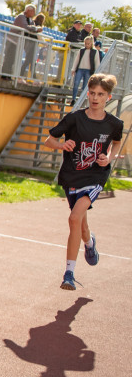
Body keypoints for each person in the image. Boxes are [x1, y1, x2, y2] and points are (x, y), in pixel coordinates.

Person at [43, 73, 123, 291]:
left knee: (74, 217)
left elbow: (117, 143)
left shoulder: (114, 123)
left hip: (95, 176)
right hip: (72, 175)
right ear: (87, 93)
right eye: (92, 93)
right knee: (81, 224)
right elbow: (49, 140)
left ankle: (69, 273)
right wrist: (61, 146)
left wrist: (110, 158)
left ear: (109, 97)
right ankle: (90, 243)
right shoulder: (74, 118)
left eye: (101, 94)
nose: (95, 98)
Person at [2, 4, 41, 79]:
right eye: (32, 11)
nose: (34, 13)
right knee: (8, 59)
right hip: (12, 41)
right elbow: (25, 27)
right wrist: (36, 29)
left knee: (13, 60)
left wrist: (35, 29)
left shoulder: (30, 20)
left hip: (18, 43)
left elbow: (32, 27)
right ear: (28, 10)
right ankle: (4, 75)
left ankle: (9, 75)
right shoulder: (21, 17)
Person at [69, 35, 99, 106]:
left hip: (88, 70)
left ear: (91, 43)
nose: (87, 45)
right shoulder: (81, 50)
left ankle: (81, 100)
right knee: (76, 83)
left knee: (85, 86)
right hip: (80, 69)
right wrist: (73, 69)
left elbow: (97, 62)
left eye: (88, 43)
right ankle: (73, 99)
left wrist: (96, 73)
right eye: (85, 43)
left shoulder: (95, 52)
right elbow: (77, 60)